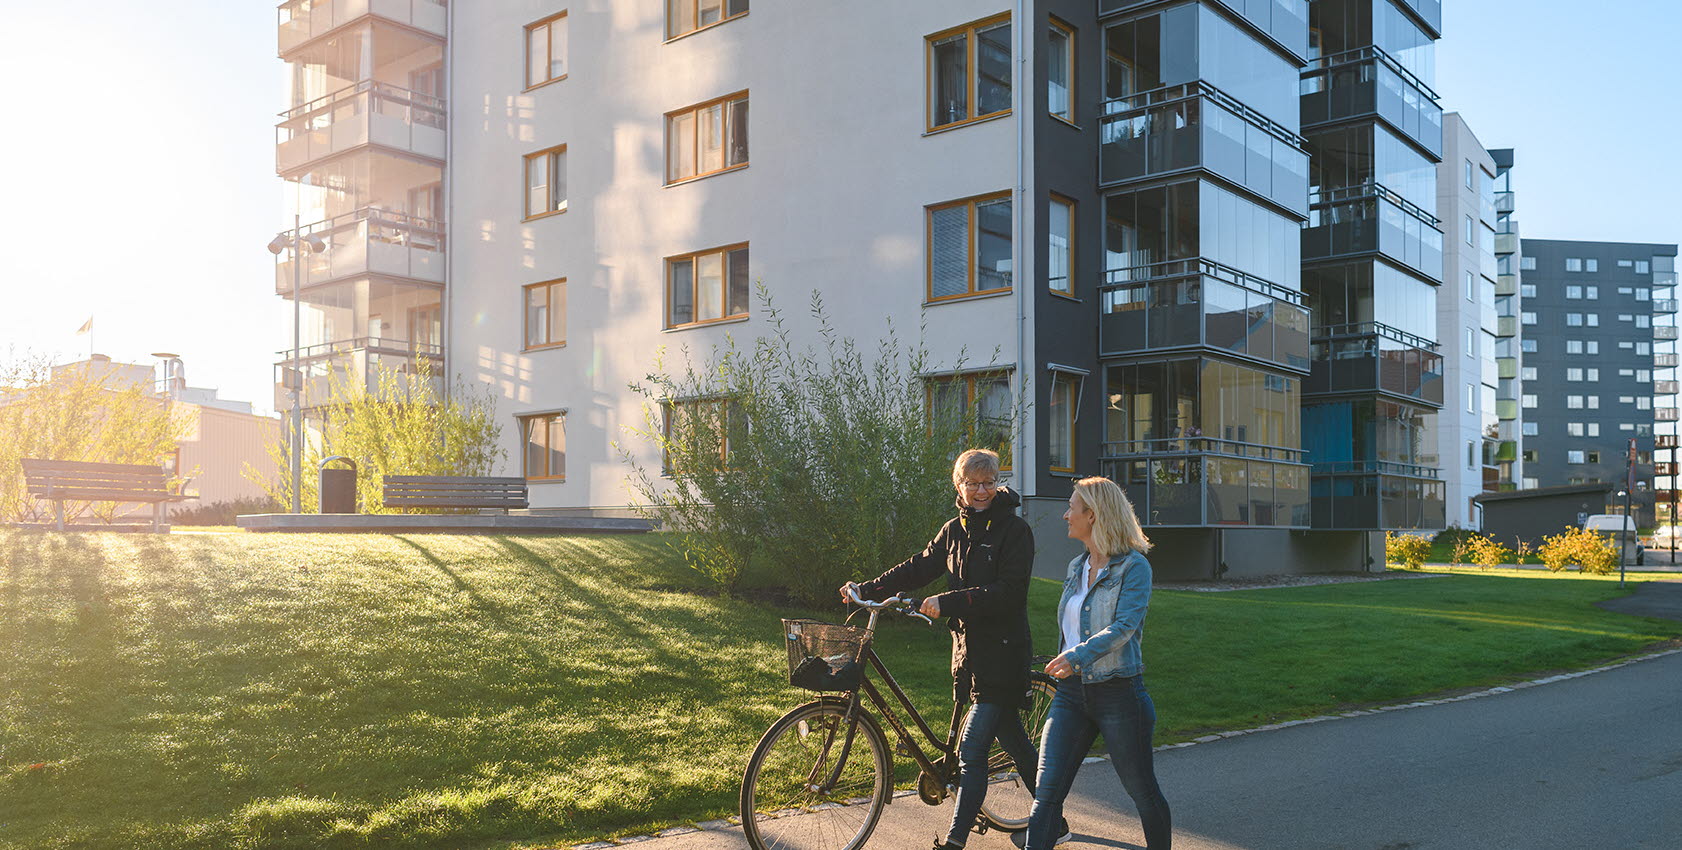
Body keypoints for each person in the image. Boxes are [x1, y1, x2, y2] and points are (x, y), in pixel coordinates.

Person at [840, 448, 1058, 850]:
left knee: (972, 752)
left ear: (997, 483)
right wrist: (866, 589)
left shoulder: (1015, 531)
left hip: (1003, 653)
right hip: (968, 653)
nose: (981, 491)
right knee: (1012, 739)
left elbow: (1009, 593)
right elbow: (920, 565)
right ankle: (1053, 820)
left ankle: (955, 842)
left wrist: (949, 602)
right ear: (958, 485)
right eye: (973, 483)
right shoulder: (954, 528)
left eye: (989, 483)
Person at [1020, 476, 1171, 850]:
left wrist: (1076, 656)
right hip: (1070, 695)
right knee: (1047, 794)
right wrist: (1068, 661)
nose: (1065, 514)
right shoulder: (1077, 566)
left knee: (1143, 791)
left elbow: (1124, 627)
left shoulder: (1134, 568)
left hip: (1119, 694)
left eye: (1072, 507)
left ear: (1093, 515)